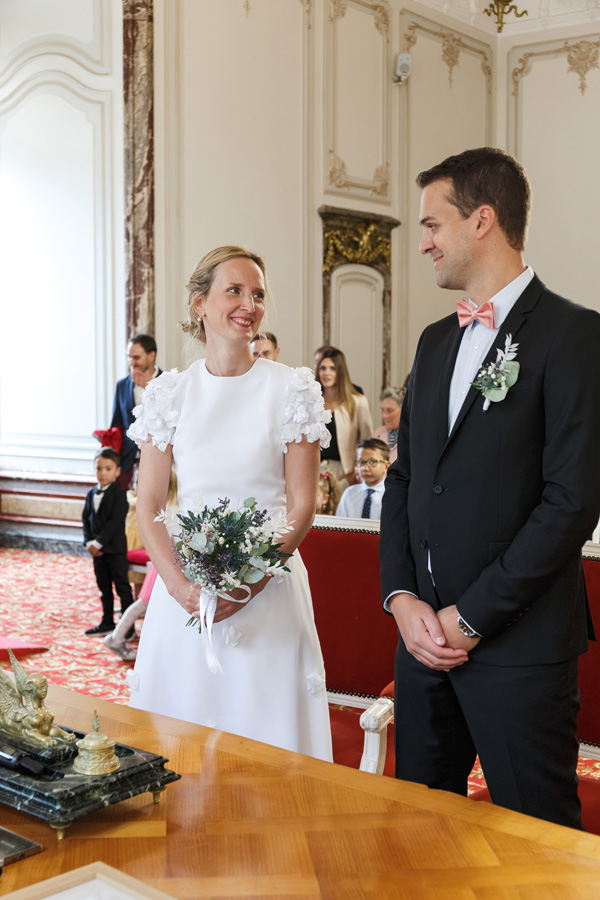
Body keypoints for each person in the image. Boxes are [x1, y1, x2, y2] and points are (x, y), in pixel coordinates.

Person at [379, 146, 600, 829]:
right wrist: (402, 599)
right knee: (420, 835)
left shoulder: (575, 335)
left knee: (537, 847)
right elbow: (405, 479)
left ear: (482, 220)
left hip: (520, 650)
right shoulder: (433, 342)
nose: (423, 243)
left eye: (431, 225)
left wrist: (469, 618)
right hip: (421, 645)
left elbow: (570, 504)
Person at [126, 245, 333, 761]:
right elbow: (149, 503)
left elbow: (302, 505)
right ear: (200, 303)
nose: (249, 305)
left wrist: (251, 582)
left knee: (268, 743)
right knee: (179, 741)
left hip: (270, 590)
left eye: (258, 294)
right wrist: (180, 587)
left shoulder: (292, 389)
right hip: (187, 590)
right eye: (234, 291)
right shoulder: (169, 393)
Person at [82, 448, 134, 636]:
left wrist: (98, 543)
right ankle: (107, 622)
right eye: (99, 468)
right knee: (104, 587)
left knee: (122, 588)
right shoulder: (91, 493)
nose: (102, 473)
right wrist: (88, 542)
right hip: (97, 552)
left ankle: (128, 628)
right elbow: (86, 519)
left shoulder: (119, 495)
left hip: (115, 550)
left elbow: (114, 523)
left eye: (108, 469)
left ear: (118, 471)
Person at [316, 347, 373, 490]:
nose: (326, 373)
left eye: (332, 368)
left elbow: (367, 441)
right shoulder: (313, 402)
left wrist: (355, 473)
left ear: (341, 371)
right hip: (316, 471)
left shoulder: (358, 402)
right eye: (323, 368)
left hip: (346, 472)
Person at [111, 334, 162, 490]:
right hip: (127, 464)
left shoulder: (170, 383)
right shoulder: (121, 386)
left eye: (136, 357)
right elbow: (116, 425)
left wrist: (150, 387)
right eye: (129, 357)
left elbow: (173, 422)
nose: (131, 362)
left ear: (151, 355)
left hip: (159, 461)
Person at [336, 438, 389, 520]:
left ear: (386, 466)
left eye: (372, 462)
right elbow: (339, 523)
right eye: (361, 462)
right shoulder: (349, 493)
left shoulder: (391, 494)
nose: (365, 468)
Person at [372, 385, 407, 464]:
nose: (384, 416)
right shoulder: (377, 433)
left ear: (404, 410)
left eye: (389, 410)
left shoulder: (411, 436)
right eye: (383, 410)